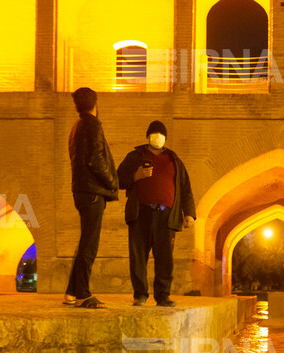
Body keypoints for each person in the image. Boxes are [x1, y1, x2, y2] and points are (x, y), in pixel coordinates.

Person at [117, 121, 196, 308]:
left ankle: (163, 296)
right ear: (147, 136)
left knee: (165, 259)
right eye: (153, 134)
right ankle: (140, 295)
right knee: (138, 257)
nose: (157, 137)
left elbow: (185, 189)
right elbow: (118, 179)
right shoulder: (135, 157)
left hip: (166, 217)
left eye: (160, 134)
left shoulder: (174, 160)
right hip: (140, 213)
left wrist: (189, 213)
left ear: (165, 138)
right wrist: (136, 176)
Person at [63, 87, 119, 309]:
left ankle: (71, 292)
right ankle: (83, 294)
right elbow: (95, 159)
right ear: (96, 103)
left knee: (85, 240)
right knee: (89, 243)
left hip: (81, 189)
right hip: (93, 191)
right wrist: (112, 182)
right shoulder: (92, 124)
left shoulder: (77, 126)